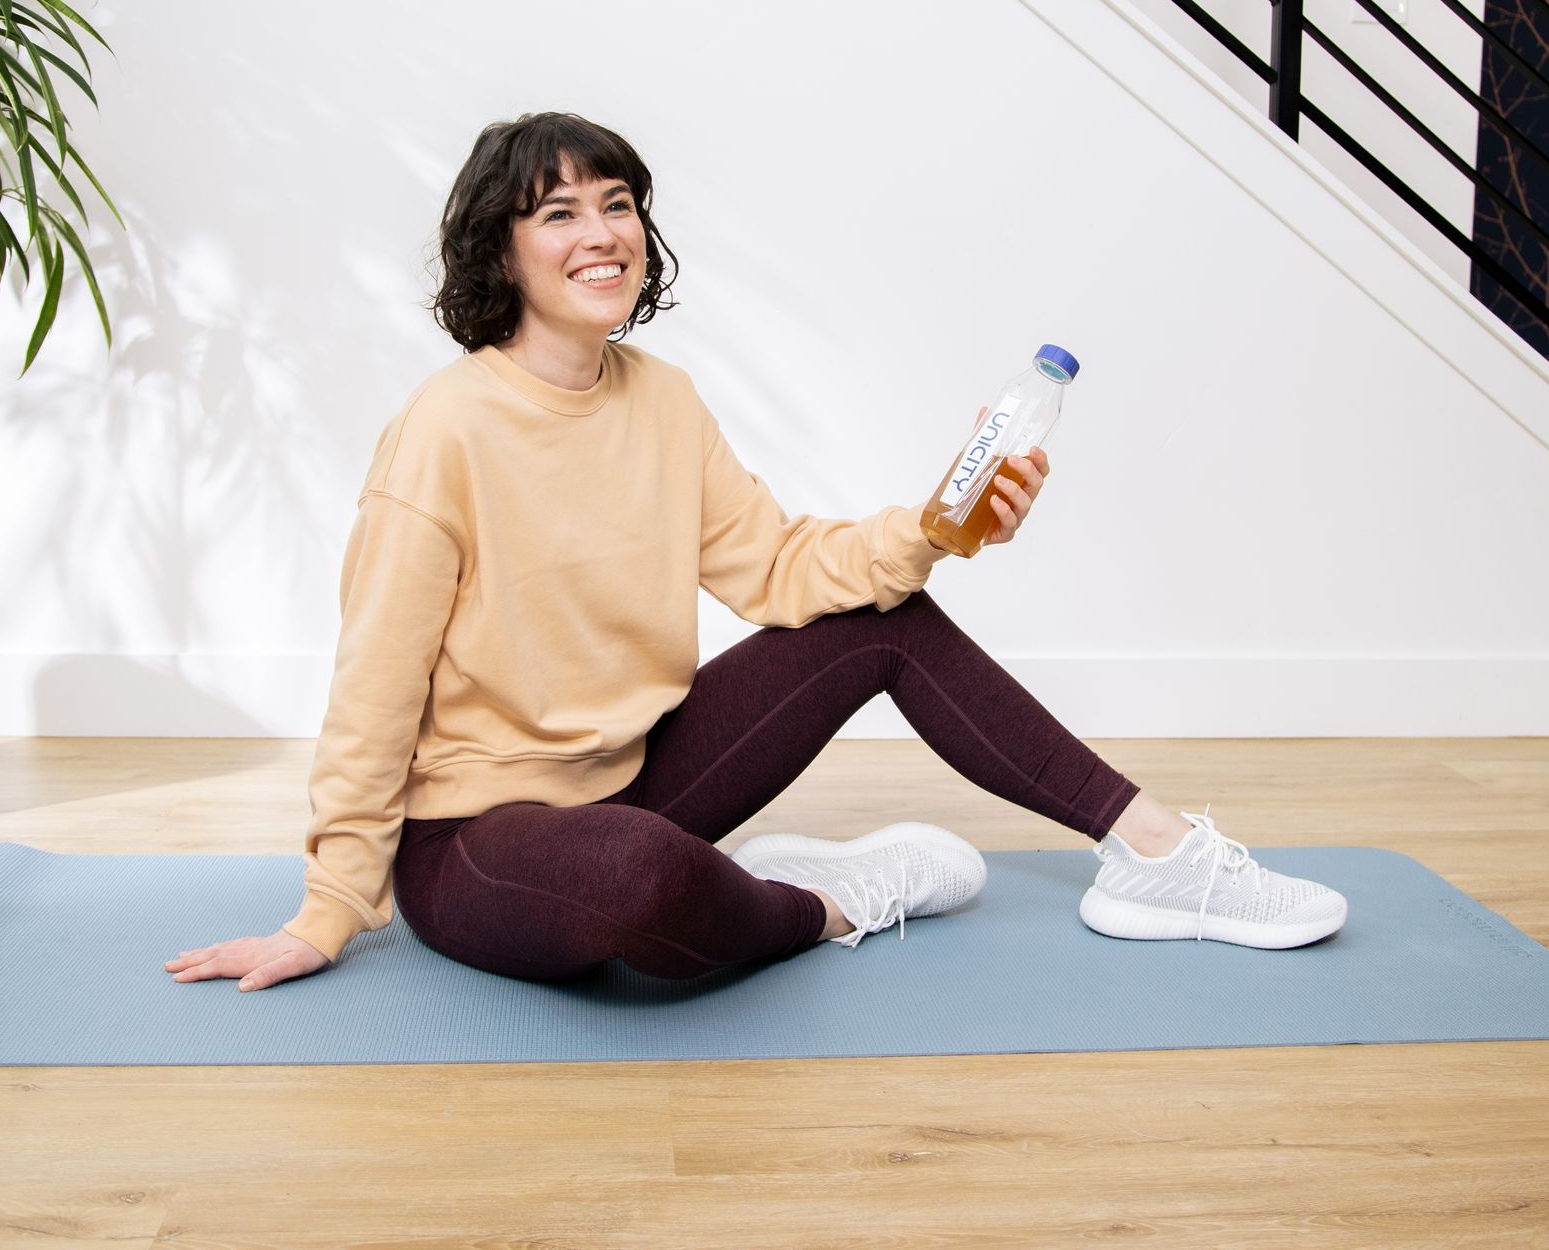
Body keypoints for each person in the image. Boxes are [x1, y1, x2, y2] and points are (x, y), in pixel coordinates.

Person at [166, 112, 1349, 994]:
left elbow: (779, 571)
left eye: (618, 203)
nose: (602, 234)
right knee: (635, 880)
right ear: (501, 251)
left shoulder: (662, 399)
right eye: (559, 212)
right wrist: (329, 907)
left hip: (637, 777)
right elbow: (374, 684)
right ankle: (824, 901)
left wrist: (941, 525)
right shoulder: (444, 432)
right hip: (474, 837)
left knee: (879, 626)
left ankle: (1154, 852)